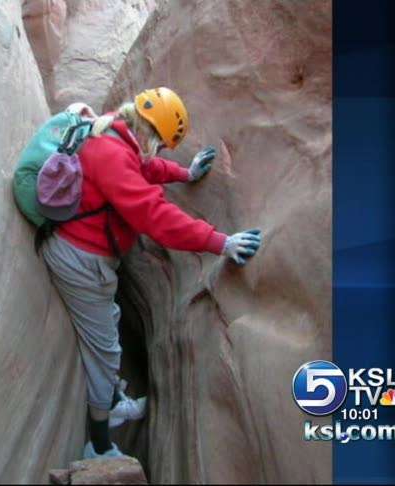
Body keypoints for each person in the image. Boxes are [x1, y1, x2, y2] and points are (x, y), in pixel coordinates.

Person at [40, 87, 263, 459]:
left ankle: (113, 400)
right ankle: (99, 443)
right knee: (105, 355)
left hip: (86, 254)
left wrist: (184, 173)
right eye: (160, 143)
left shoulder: (117, 131)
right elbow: (155, 216)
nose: (158, 151)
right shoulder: (111, 154)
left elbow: (144, 167)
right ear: (151, 131)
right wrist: (220, 242)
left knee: (109, 321)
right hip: (80, 261)